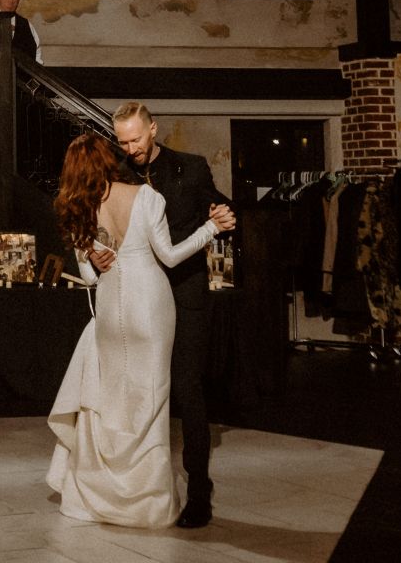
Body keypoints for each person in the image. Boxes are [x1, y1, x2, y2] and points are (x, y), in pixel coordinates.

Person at [47, 134, 235, 528]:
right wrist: (209, 229)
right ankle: (145, 500)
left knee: (113, 397)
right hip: (150, 303)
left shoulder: (81, 208)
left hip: (111, 304)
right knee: (152, 397)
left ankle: (105, 493)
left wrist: (96, 261)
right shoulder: (145, 196)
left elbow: (89, 276)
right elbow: (168, 255)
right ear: (106, 160)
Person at [100, 103, 235, 528]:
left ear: (153, 129)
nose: (130, 148)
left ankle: (199, 491)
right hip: (137, 296)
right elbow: (100, 223)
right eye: (122, 141)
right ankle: (135, 485)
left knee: (186, 387)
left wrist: (224, 218)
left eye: (136, 139)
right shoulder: (115, 171)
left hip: (184, 293)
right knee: (135, 388)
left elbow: (222, 211)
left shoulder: (191, 168)